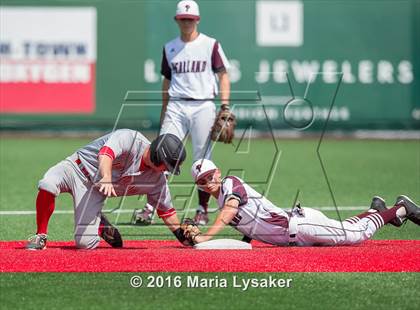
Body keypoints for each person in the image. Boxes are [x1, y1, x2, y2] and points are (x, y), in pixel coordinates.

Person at [133, 0, 230, 226]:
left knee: (202, 160)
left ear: (197, 20)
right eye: (183, 19)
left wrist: (225, 106)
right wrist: (164, 108)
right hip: (176, 105)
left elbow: (223, 75)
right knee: (160, 155)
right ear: (177, 20)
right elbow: (167, 81)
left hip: (203, 105)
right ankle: (150, 207)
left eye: (190, 19)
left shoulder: (210, 44)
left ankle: (202, 210)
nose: (186, 22)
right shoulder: (170, 48)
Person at [189, 159, 420, 246]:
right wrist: (246, 241)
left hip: (300, 227)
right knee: (344, 229)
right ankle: (375, 210)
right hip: (298, 229)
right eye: (203, 180)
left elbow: (231, 212)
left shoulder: (230, 183)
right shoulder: (221, 199)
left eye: (210, 175)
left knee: (355, 236)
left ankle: (400, 208)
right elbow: (252, 220)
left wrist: (205, 237)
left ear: (218, 172)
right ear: (199, 185)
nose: (209, 181)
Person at [26, 129, 189, 250]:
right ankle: (41, 235)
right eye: (166, 165)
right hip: (75, 168)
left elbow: (167, 212)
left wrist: (185, 236)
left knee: (85, 244)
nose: (166, 170)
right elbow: (106, 154)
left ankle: (100, 225)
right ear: (157, 156)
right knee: (48, 184)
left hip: (93, 191)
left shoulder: (156, 179)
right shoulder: (131, 139)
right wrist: (106, 177)